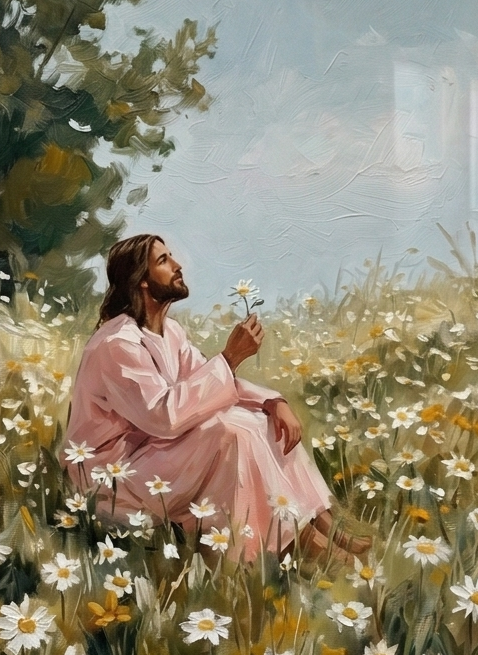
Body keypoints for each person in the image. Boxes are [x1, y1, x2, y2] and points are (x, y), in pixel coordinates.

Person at [62, 234, 362, 560]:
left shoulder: (170, 332)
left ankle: (325, 525)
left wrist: (272, 402)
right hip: (115, 478)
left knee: (263, 422)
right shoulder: (118, 343)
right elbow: (164, 417)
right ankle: (299, 545)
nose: (178, 267)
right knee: (232, 432)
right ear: (142, 283)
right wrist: (230, 357)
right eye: (163, 261)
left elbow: (203, 381)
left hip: (153, 454)